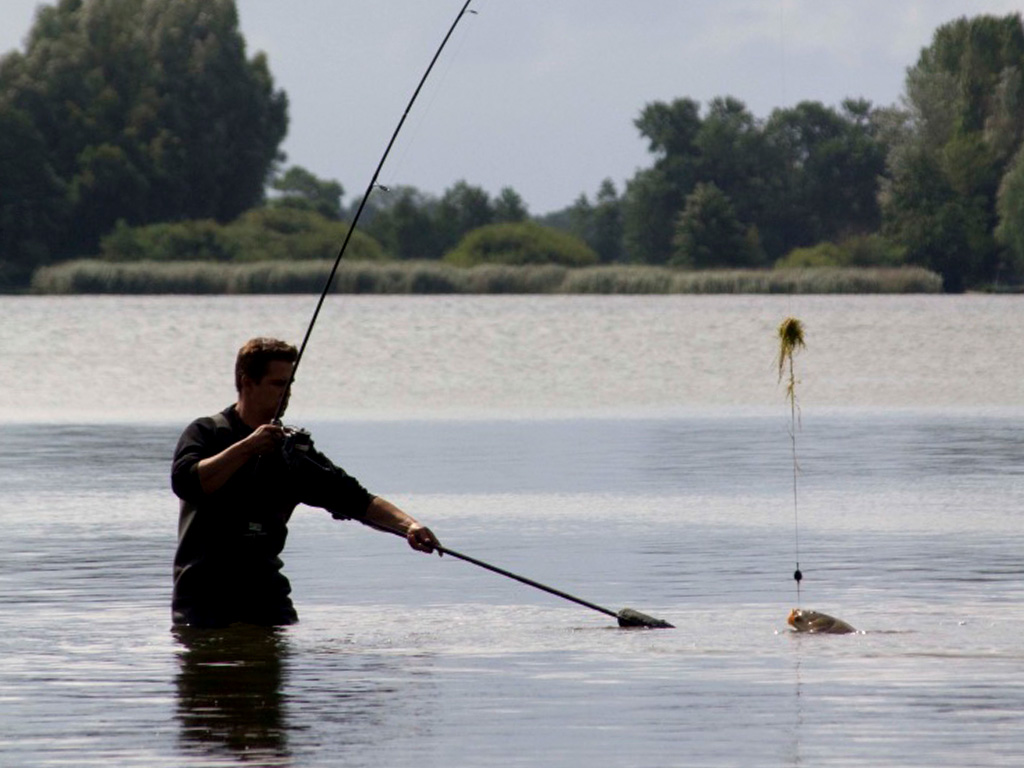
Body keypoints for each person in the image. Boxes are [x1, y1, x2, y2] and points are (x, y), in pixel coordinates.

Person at [170, 337, 441, 628]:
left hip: (267, 598)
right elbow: (187, 482)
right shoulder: (206, 433)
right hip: (203, 600)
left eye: (290, 385)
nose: (286, 394)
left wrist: (410, 526)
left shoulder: (293, 452)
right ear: (247, 382)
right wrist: (249, 446)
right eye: (278, 385)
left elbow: (356, 500)